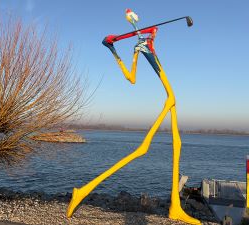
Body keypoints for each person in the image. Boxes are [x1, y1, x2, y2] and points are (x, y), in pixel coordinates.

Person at [66, 9, 201, 225]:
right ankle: (82, 191)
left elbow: (131, 78)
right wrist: (114, 50)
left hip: (169, 93)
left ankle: (175, 206)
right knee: (145, 145)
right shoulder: (140, 46)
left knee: (177, 141)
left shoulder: (143, 43)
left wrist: (141, 42)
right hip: (169, 94)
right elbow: (131, 77)